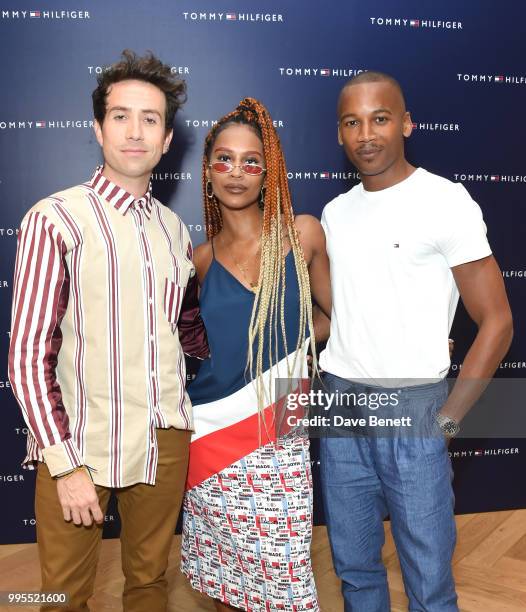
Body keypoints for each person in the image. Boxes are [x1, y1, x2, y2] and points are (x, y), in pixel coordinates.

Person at [8, 50, 208, 611]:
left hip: (162, 440)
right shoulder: (55, 218)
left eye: (150, 119)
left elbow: (180, 336)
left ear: (167, 139)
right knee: (63, 595)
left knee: (148, 583)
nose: (135, 131)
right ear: (98, 128)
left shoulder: (176, 231)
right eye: (121, 116)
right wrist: (64, 464)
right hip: (80, 443)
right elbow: (27, 355)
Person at [319, 71, 513, 612]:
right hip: (340, 402)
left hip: (414, 406)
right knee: (354, 569)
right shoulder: (336, 213)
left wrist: (448, 420)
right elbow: (345, 310)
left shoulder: (445, 202)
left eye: (380, 119)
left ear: (405, 123)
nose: (366, 135)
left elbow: (497, 322)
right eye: (352, 123)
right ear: (339, 134)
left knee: (428, 579)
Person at [180, 98, 331, 612]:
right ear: (207, 171)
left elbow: (336, 317)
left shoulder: (302, 234)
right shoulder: (199, 260)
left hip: (279, 426)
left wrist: (290, 354)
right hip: (211, 433)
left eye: (250, 161)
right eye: (224, 159)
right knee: (227, 585)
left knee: (283, 581)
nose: (236, 173)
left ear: (269, 172)